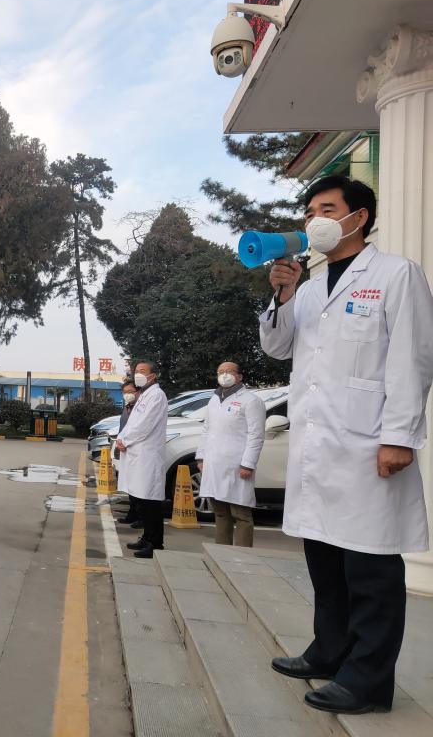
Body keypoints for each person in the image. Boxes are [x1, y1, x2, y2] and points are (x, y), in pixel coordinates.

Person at [261, 176, 433, 715]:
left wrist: (399, 437)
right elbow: (277, 347)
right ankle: (329, 651)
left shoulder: (396, 274)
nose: (315, 219)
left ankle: (368, 681)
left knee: (370, 568)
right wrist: (283, 293)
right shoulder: (310, 287)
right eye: (310, 211)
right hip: (318, 443)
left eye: (327, 209)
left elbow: (413, 359)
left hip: (368, 444)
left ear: (359, 217)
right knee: (325, 559)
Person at [195, 362, 265, 548]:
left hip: (237, 464)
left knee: (241, 514)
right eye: (220, 372)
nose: (224, 375)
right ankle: (222, 553)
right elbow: (206, 429)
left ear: (239, 376)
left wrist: (248, 464)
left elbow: (256, 435)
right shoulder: (214, 399)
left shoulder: (251, 401)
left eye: (229, 371)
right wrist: (201, 457)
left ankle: (243, 555)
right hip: (214, 463)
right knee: (220, 512)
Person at [115, 361, 168, 558]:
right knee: (141, 500)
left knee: (150, 501)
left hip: (147, 455)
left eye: (142, 371)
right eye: (136, 371)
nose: (138, 374)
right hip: (136, 454)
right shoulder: (144, 395)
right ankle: (146, 537)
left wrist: (126, 440)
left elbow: (145, 425)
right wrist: (121, 438)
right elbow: (131, 423)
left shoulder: (157, 395)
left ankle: (155, 543)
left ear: (153, 375)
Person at [115, 379, 142, 526]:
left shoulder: (141, 408)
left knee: (138, 486)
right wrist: (120, 442)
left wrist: (126, 442)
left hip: (136, 450)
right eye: (124, 392)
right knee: (130, 485)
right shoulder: (127, 407)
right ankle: (132, 514)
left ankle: (140, 517)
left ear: (138, 392)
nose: (127, 395)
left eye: (130, 392)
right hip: (125, 449)